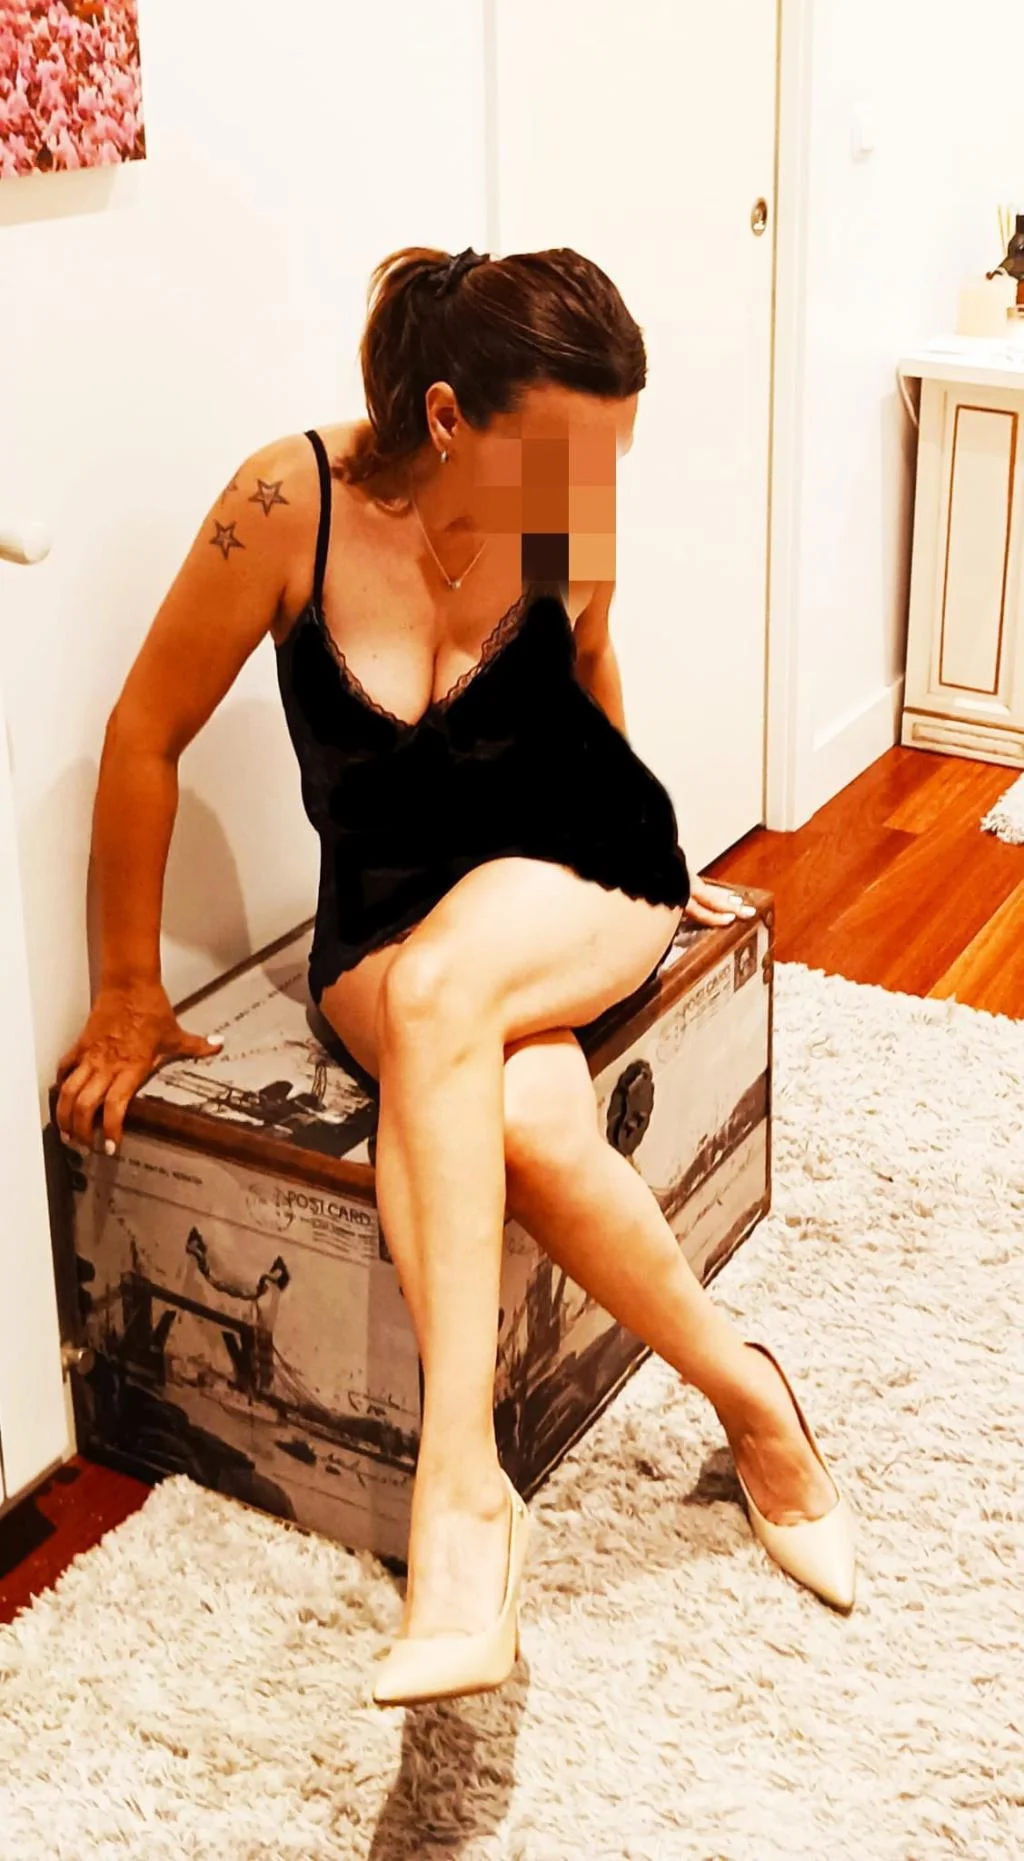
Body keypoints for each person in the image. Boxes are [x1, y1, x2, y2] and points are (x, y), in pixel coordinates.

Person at [54, 243, 856, 1707]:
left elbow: (593, 677)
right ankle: (754, 1398)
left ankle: (462, 1499)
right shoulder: (284, 505)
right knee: (527, 1116)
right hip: (382, 927)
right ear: (443, 417)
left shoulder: (567, 514)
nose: (593, 491)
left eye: (613, 456)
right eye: (569, 456)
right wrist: (123, 984)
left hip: (580, 871)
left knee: (448, 995)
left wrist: (658, 855)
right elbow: (144, 733)